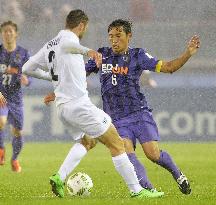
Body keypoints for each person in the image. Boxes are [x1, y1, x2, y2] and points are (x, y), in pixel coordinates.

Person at [22, 10, 164, 199]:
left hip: (63, 108)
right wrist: (88, 51)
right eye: (85, 28)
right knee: (117, 143)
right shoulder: (68, 40)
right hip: (78, 105)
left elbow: (26, 68)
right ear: (81, 26)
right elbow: (69, 45)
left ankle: (59, 176)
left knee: (87, 141)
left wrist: (49, 76)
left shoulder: (50, 45)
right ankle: (137, 191)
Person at [84, 19, 200, 195]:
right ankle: (149, 189)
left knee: (153, 154)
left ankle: (178, 174)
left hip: (139, 113)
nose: (114, 40)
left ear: (129, 36)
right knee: (127, 153)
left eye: (118, 36)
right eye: (111, 36)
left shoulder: (138, 55)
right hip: (116, 118)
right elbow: (79, 72)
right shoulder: (102, 54)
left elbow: (169, 67)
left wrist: (188, 53)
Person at [0, 21, 31, 172]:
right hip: (1, 96)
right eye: (5, 31)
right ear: (1, 34)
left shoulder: (23, 53)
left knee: (17, 131)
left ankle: (14, 159)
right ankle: (1, 150)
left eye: (10, 31)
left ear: (16, 34)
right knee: (0, 121)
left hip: (16, 98)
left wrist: (27, 79)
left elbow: (31, 74)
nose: (8, 34)